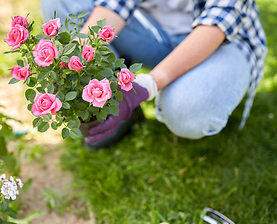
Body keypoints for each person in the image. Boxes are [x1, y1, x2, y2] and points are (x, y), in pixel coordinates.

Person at [40, 0, 267, 147]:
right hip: (157, 35)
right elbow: (116, 6)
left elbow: (215, 25)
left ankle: (141, 90)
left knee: (187, 112)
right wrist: (79, 55)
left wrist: (148, 84)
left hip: (220, 43)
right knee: (61, 2)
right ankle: (117, 101)